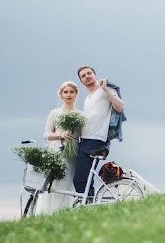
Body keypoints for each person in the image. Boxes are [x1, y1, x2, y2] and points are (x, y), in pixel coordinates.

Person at [73, 64, 125, 200]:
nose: (87, 77)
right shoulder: (87, 98)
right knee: (84, 179)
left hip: (96, 140)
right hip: (84, 140)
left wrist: (106, 90)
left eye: (89, 73)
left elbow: (120, 107)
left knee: (79, 179)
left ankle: (87, 205)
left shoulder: (105, 89)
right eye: (83, 76)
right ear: (81, 81)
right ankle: (88, 205)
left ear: (94, 74)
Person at [35, 81, 80, 214]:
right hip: (56, 150)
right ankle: (49, 212)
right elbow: (46, 134)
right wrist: (60, 135)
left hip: (72, 152)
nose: (69, 94)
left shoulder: (80, 115)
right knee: (54, 182)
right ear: (60, 95)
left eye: (72, 92)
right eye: (65, 92)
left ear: (76, 94)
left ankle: (64, 211)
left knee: (68, 181)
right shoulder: (55, 113)